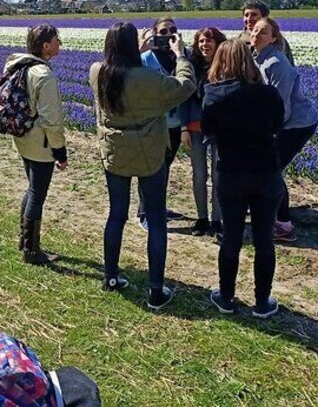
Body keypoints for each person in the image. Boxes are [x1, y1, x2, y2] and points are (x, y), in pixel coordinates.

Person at [90, 22, 195, 310]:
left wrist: (135, 51)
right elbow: (185, 87)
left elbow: (119, 72)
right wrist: (181, 55)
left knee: (116, 215)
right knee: (157, 220)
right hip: (149, 152)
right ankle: (155, 290)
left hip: (115, 152)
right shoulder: (148, 78)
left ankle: (110, 276)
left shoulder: (97, 72)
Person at [201, 39, 285, 318]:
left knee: (232, 238)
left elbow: (208, 129)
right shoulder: (268, 94)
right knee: (264, 240)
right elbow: (277, 125)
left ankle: (226, 297)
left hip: (231, 173)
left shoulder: (213, 94)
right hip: (266, 173)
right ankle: (262, 301)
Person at [250, 18, 318, 243]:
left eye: (263, 32)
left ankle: (283, 224)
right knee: (269, 168)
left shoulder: (276, 63)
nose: (256, 34)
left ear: (274, 38)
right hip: (282, 121)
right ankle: (275, 216)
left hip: (297, 123)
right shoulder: (257, 57)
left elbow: (281, 107)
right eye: (255, 30)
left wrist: (268, 132)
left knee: (271, 168)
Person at [6, 23, 68, 265]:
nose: (59, 43)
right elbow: (52, 121)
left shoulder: (19, 65)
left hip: (21, 137)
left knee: (32, 189)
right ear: (45, 46)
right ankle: (32, 251)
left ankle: (25, 239)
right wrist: (60, 152)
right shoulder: (44, 75)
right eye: (56, 39)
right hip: (40, 143)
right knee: (37, 193)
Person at [135, 17, 188, 229]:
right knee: (150, 169)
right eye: (163, 31)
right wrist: (138, 49)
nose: (168, 35)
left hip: (174, 124)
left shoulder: (180, 57)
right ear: (155, 33)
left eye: (172, 30)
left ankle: (158, 206)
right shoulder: (146, 58)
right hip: (152, 124)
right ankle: (145, 213)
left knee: (165, 167)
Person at [180, 27, 227, 237]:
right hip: (195, 127)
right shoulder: (191, 66)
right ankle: (201, 218)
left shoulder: (226, 66)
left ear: (218, 43)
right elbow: (182, 97)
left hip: (219, 129)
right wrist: (182, 127)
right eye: (200, 42)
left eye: (209, 41)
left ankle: (217, 220)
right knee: (199, 174)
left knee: (219, 175)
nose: (204, 45)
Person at [239, 0, 295, 65]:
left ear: (264, 17)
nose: (249, 18)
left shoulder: (277, 40)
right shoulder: (239, 40)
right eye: (246, 15)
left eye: (254, 15)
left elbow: (287, 65)